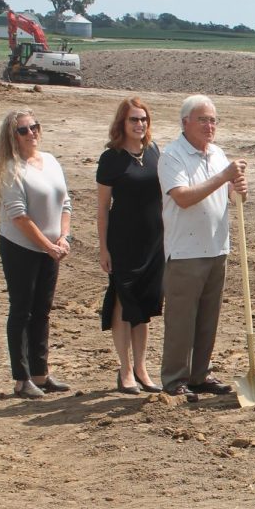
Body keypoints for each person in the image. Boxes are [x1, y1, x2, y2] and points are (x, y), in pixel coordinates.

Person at [157, 95, 247, 402]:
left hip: (216, 247)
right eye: (203, 120)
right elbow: (182, 196)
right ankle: (174, 378)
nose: (210, 126)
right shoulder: (172, 156)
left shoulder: (218, 154)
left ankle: (199, 373)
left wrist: (237, 189)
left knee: (208, 318)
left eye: (213, 120)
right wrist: (223, 176)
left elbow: (228, 192)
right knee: (182, 319)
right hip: (185, 251)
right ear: (185, 123)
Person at [0, 108, 72, 399]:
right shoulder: (10, 169)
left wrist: (62, 237)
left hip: (50, 249)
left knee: (43, 311)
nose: (31, 133)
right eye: (24, 130)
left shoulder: (50, 161)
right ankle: (21, 379)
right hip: (21, 247)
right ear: (13, 137)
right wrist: (47, 246)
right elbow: (19, 217)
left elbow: (66, 203)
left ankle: (40, 373)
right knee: (22, 309)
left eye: (34, 126)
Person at [97, 98, 165, 395]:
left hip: (154, 241)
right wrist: (103, 248)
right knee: (123, 300)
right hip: (123, 241)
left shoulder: (153, 152)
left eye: (143, 119)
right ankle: (124, 370)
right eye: (134, 120)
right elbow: (101, 208)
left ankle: (142, 367)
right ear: (121, 124)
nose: (140, 125)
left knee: (145, 305)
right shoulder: (110, 158)